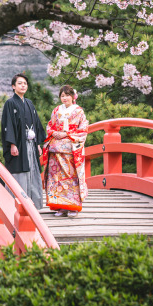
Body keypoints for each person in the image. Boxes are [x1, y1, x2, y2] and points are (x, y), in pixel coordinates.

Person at [42, 85, 89, 218]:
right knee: (56, 178)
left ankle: (73, 206)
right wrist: (55, 133)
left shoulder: (79, 111)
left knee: (71, 178)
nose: (65, 98)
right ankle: (60, 206)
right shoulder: (56, 110)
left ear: (73, 97)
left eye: (67, 95)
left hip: (70, 148)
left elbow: (83, 128)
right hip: (56, 149)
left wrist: (67, 134)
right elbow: (50, 125)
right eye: (62, 96)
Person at [1, 73, 47, 209]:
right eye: (20, 83)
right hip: (19, 145)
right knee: (19, 172)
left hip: (31, 144)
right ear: (13, 86)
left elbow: (36, 124)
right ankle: (17, 205)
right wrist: (12, 144)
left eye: (25, 83)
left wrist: (37, 144)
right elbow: (8, 124)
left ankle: (33, 205)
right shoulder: (10, 103)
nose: (23, 86)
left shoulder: (29, 103)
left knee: (33, 170)